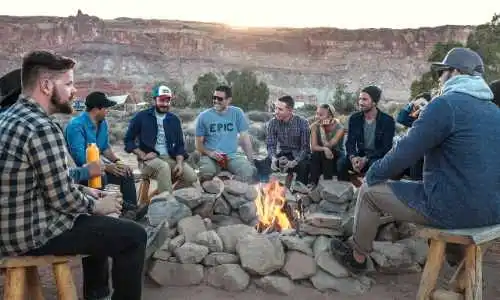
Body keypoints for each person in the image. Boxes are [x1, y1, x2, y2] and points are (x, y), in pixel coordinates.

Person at [329, 47, 500, 274]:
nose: (439, 78)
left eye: (442, 72)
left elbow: (404, 152)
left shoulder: (445, 105)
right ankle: (455, 256)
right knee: (443, 188)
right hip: (492, 210)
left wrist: (373, 174)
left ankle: (357, 257)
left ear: (456, 72)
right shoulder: (494, 111)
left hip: (451, 208)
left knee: (369, 192)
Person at [0, 50, 146, 300]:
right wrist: (97, 204)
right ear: (46, 85)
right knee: (133, 236)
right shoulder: (42, 127)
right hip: (27, 235)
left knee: (99, 225)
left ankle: (97, 294)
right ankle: (99, 293)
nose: (74, 91)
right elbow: (62, 199)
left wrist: (85, 191)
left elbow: (45, 178)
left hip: (10, 226)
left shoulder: (10, 117)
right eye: (68, 83)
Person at [65, 91, 139, 218]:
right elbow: (80, 158)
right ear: (96, 109)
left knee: (125, 172)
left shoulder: (102, 123)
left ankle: (131, 211)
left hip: (99, 166)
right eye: (105, 108)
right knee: (101, 176)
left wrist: (118, 162)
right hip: (82, 172)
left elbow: (105, 149)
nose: (107, 111)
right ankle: (112, 211)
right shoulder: (75, 126)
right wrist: (106, 167)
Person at [124, 84, 198, 193]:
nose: (164, 104)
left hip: (170, 158)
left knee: (191, 177)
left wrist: (179, 163)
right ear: (155, 100)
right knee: (164, 167)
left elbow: (179, 145)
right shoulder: (141, 117)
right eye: (161, 100)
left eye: (167, 101)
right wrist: (142, 154)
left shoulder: (174, 120)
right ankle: (166, 204)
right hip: (147, 161)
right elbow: (128, 140)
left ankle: (158, 197)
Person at [195, 85, 255, 181]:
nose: (215, 101)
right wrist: (210, 153)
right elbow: (198, 145)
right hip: (210, 156)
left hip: (231, 156)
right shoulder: (203, 116)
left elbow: (245, 139)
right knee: (206, 173)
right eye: (214, 98)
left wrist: (251, 161)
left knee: (248, 171)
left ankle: (229, 187)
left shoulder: (237, 113)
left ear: (228, 100)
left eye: (220, 98)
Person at [337, 85, 395, 181]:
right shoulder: (354, 118)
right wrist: (353, 158)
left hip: (377, 157)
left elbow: (386, 148)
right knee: (341, 163)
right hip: (360, 155)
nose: (360, 102)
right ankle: (345, 192)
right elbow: (350, 143)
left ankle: (370, 193)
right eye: (360, 99)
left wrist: (366, 159)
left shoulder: (387, 121)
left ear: (374, 102)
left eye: (364, 99)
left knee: (375, 166)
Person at [265, 95, 310, 184]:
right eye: (276, 108)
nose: (276, 112)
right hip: (282, 154)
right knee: (266, 162)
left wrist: (294, 162)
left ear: (290, 110)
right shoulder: (272, 123)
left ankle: (299, 192)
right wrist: (273, 158)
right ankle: (267, 191)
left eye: (280, 109)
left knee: (304, 165)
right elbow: (271, 145)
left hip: (297, 155)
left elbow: (305, 148)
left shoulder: (302, 122)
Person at [394, 92, 432, 181]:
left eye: (421, 104)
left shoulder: (428, 118)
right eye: (417, 105)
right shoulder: (415, 118)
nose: (417, 108)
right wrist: (412, 103)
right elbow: (401, 119)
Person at [309, 104, 345, 186]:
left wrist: (322, 129)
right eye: (317, 113)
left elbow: (329, 145)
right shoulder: (315, 126)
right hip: (321, 153)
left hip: (336, 154)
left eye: (321, 115)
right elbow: (314, 147)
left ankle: (327, 184)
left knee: (327, 153)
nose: (317, 117)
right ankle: (312, 184)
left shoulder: (340, 128)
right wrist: (324, 149)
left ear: (330, 116)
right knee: (316, 154)